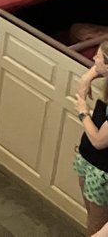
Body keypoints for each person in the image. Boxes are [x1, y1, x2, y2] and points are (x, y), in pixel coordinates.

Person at [72, 42, 108, 237]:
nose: (93, 60)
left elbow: (99, 141)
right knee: (92, 215)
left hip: (102, 170)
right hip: (90, 160)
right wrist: (86, 79)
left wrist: (83, 113)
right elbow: (95, 68)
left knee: (97, 224)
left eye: (98, 57)